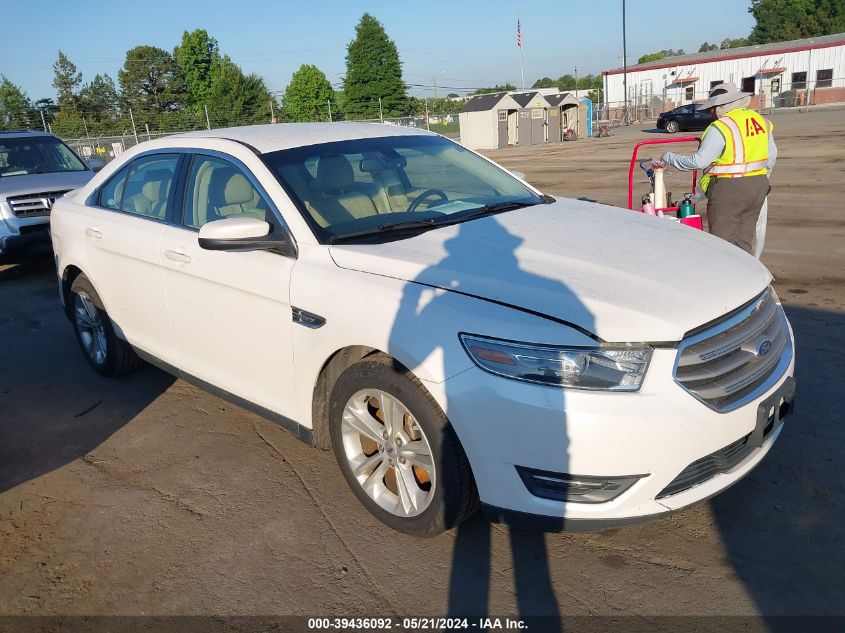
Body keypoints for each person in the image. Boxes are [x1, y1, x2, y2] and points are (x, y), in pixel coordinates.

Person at [662, 82, 777, 256]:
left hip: (730, 190)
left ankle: (725, 279)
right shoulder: (761, 121)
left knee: (721, 245)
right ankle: (743, 276)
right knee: (744, 238)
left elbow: (698, 161)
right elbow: (772, 155)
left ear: (721, 106)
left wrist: (668, 157)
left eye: (713, 108)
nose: (711, 112)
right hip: (758, 186)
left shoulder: (722, 127)